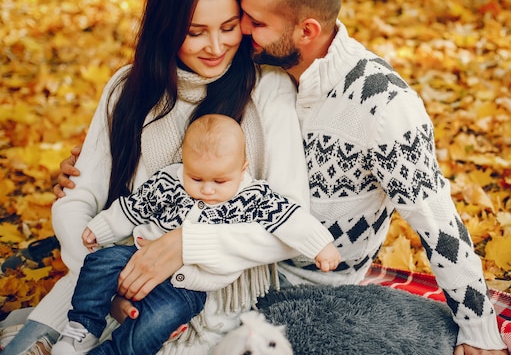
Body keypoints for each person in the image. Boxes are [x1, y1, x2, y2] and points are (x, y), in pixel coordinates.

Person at [57, 0, 510, 355]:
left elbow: (434, 218)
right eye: (235, 21)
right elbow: (95, 189)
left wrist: (479, 328)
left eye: (245, 23)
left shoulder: (378, 106)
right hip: (158, 261)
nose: (234, 40)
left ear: (305, 30)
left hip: (286, 282)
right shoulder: (264, 75)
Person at [2, 0, 315, 355]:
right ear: (166, 28)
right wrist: (100, 281)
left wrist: (187, 244)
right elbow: (79, 196)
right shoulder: (128, 88)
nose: (216, 46)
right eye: (194, 31)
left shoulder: (267, 90)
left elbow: (290, 221)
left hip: (213, 295)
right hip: (104, 283)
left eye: (228, 26)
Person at [50, 114, 339, 355]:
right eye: (196, 178)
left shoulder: (253, 196)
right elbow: (135, 207)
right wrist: (101, 228)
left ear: (242, 168)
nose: (207, 189)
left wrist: (320, 245)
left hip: (188, 286)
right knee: (101, 262)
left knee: (157, 322)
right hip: (141, 254)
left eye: (220, 180)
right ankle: (83, 327)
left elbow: (289, 217)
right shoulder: (170, 180)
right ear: (184, 163)